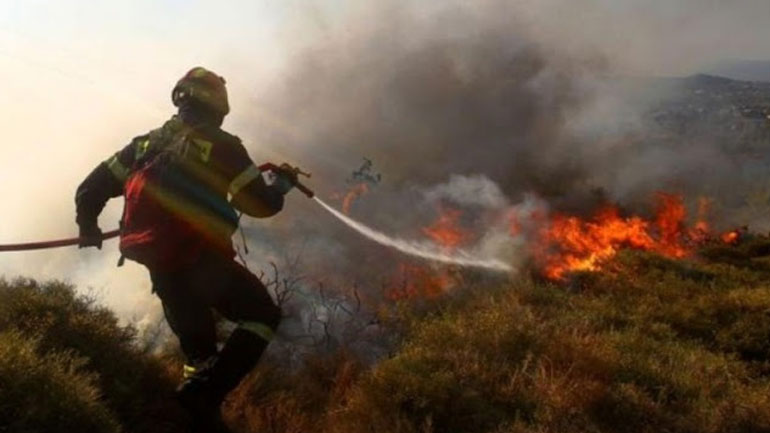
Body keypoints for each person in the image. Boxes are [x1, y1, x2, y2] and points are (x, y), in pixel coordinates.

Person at [75, 67, 294, 432]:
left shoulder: (146, 144)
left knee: (199, 352)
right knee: (262, 316)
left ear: (180, 99)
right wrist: (279, 187)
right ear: (220, 107)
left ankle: (199, 415)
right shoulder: (224, 147)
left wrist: (88, 227)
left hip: (159, 262)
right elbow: (260, 205)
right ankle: (203, 399)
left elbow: (89, 189)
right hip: (201, 259)